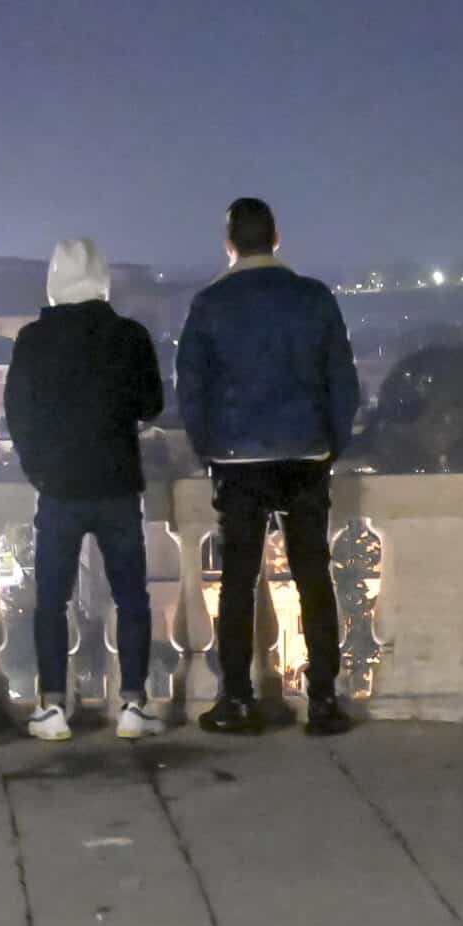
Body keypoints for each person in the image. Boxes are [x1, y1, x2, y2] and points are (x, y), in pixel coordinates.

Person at [175, 196, 362, 736]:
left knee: (238, 580)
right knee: (312, 575)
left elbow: (192, 390)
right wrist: (330, 443)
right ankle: (323, 698)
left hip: (238, 459)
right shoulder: (313, 298)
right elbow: (341, 381)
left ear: (230, 243)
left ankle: (237, 698)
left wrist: (209, 446)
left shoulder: (210, 304)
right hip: (305, 451)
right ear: (276, 238)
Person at [4, 238, 166, 741]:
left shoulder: (32, 340)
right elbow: (152, 404)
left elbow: (18, 414)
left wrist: (39, 470)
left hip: (60, 488)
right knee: (131, 598)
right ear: (103, 279)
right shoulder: (129, 335)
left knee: (51, 599)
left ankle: (52, 706)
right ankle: (133, 704)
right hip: (117, 482)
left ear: (54, 282)